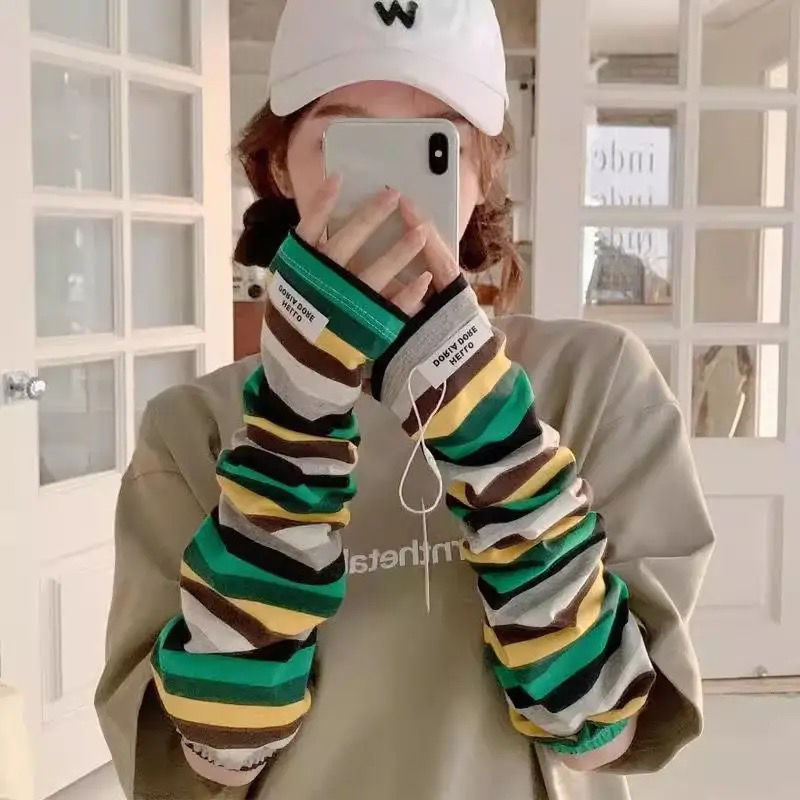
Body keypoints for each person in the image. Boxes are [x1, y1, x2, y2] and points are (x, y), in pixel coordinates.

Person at [95, 1, 714, 798]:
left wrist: (487, 426)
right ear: (280, 168)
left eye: (433, 145)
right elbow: (216, 755)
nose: (391, 192)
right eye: (348, 142)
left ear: (482, 171)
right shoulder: (193, 428)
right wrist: (291, 425)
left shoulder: (596, 383)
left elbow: (599, 727)